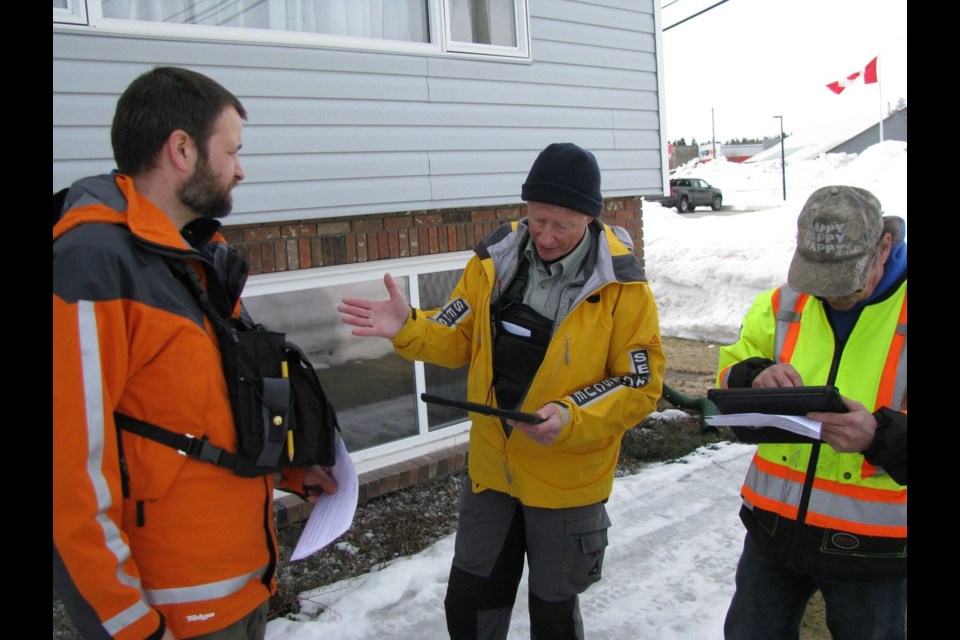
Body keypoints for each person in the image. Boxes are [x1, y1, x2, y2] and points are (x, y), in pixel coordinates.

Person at [53, 66, 338, 640]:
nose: (241, 168)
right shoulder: (93, 264)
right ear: (181, 149)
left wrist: (286, 466)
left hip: (243, 588)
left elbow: (191, 409)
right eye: (231, 150)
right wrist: (129, 627)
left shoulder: (193, 255)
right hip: (170, 616)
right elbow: (69, 474)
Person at [338, 142, 664, 639]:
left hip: (567, 480)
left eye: (562, 225)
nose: (546, 236)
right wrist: (407, 325)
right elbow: (456, 334)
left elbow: (639, 384)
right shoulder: (496, 260)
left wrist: (569, 414)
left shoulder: (622, 285)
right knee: (470, 606)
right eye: (537, 219)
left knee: (553, 616)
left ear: (590, 220)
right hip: (493, 473)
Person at [716, 185, 907, 640]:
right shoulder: (784, 302)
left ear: (884, 245)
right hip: (772, 530)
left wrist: (877, 436)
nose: (831, 296)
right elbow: (727, 373)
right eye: (819, 280)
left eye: (846, 282)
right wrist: (755, 376)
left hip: (873, 548)